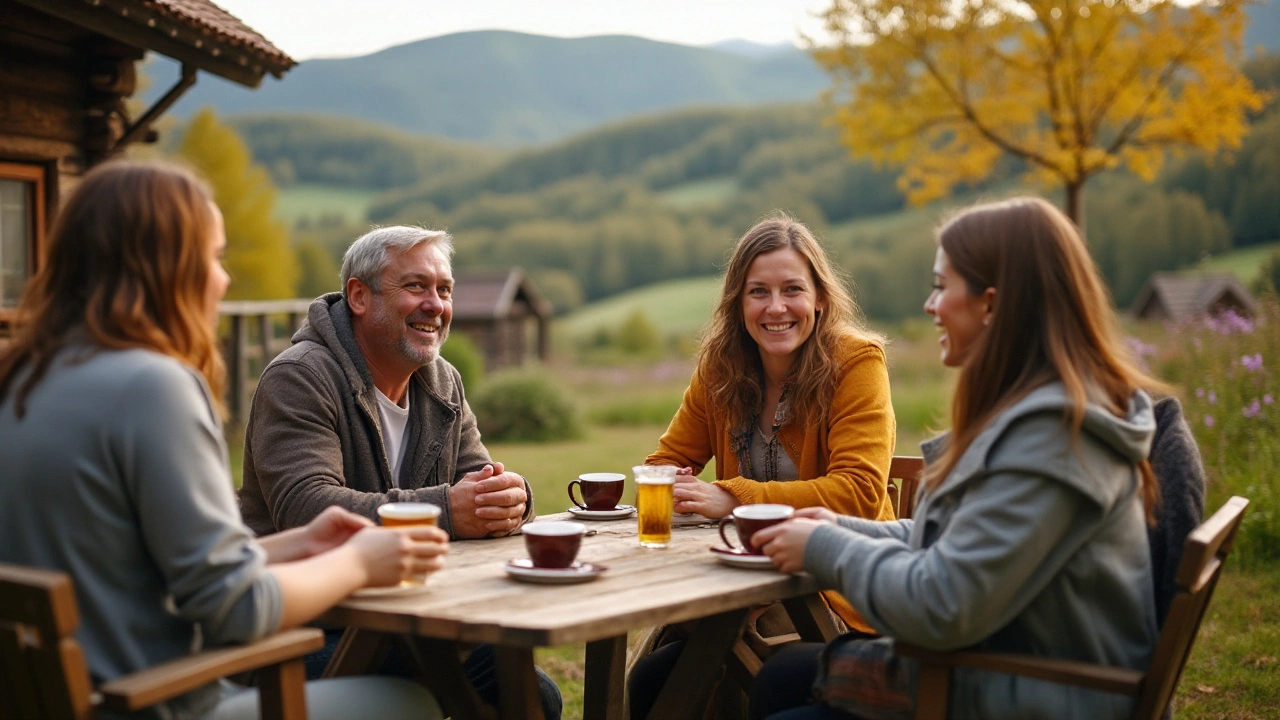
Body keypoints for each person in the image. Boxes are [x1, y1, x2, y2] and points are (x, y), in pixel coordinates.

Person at [0, 160, 448, 720]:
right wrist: (360, 560)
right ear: (164, 266)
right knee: (410, 703)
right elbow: (237, 610)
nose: (223, 279)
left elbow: (131, 570)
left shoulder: (23, 379)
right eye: (212, 257)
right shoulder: (153, 387)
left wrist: (292, 545)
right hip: (152, 703)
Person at [750, 197, 1162, 720]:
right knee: (778, 677)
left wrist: (826, 547)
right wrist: (840, 529)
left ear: (990, 305)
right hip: (1008, 662)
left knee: (783, 697)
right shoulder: (1036, 411)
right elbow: (952, 541)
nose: (931, 305)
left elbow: (941, 607)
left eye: (943, 286)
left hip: (1037, 691)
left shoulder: (1054, 438)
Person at [235, 225, 562, 717]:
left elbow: (478, 479)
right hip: (304, 628)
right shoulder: (299, 377)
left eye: (444, 290)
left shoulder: (442, 381)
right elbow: (307, 508)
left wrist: (512, 499)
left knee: (533, 693)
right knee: (468, 684)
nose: (436, 304)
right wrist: (448, 510)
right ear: (359, 296)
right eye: (415, 286)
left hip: (413, 617)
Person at [629, 213, 897, 719]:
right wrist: (678, 485)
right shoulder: (721, 368)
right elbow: (663, 464)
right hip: (736, 583)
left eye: (792, 289)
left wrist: (732, 497)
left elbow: (858, 491)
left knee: (710, 674)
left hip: (829, 596)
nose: (776, 308)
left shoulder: (856, 363)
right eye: (758, 292)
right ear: (738, 303)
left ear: (820, 296)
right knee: (653, 679)